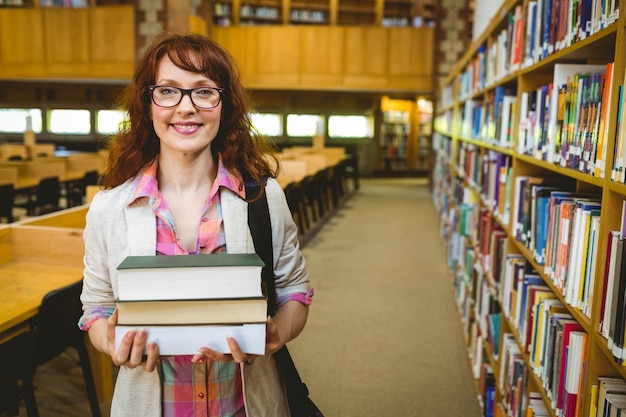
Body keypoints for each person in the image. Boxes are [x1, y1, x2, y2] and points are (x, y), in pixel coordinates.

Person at [78, 32, 312, 417]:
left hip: (246, 406)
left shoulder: (263, 199)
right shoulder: (108, 209)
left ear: (224, 105)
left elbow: (294, 292)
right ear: (148, 104)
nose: (186, 108)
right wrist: (112, 339)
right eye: (168, 91)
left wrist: (276, 334)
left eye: (203, 92)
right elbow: (96, 308)